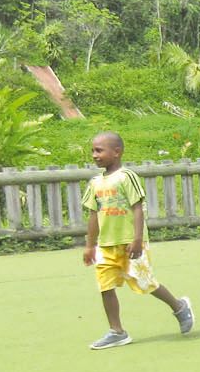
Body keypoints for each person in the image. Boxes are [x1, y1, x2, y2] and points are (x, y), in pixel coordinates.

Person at [81, 132, 194, 349]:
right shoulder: (95, 182)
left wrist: (138, 239)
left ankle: (179, 306)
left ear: (117, 152)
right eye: (93, 150)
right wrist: (89, 245)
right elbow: (93, 215)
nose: (94, 155)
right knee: (105, 286)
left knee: (145, 282)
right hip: (106, 245)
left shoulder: (126, 177)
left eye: (99, 150)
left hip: (129, 242)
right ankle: (117, 331)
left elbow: (137, 208)